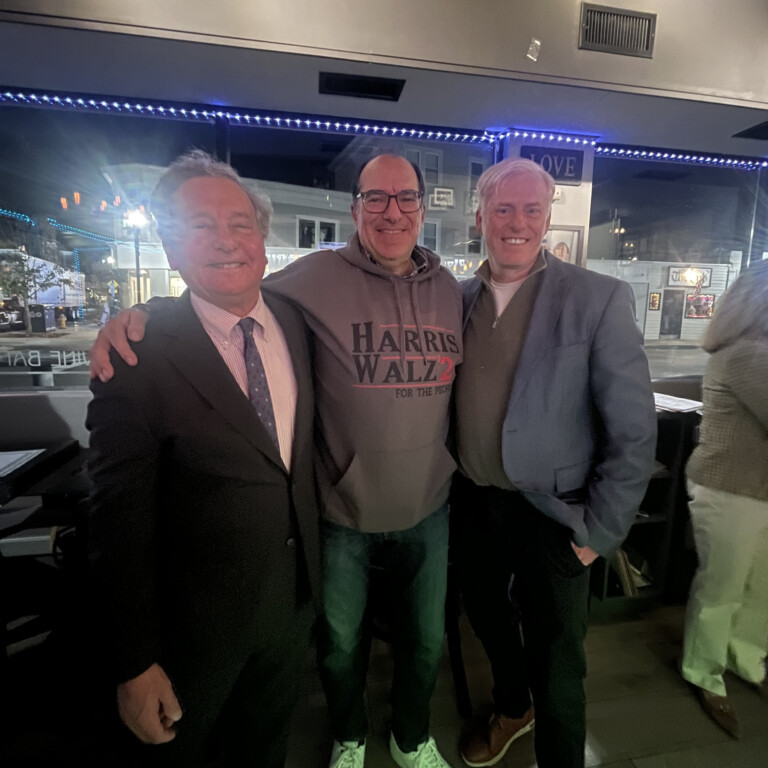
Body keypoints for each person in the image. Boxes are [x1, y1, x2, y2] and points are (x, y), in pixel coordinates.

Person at [89, 153, 463, 768]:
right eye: (375, 198)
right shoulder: (301, 288)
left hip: (386, 535)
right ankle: (348, 733)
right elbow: (115, 522)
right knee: (332, 654)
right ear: (354, 208)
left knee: (417, 647)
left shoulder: (437, 292)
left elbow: (234, 285)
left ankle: (410, 734)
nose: (391, 211)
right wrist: (141, 314)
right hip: (278, 562)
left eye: (240, 226)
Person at [87, 150, 320, 767]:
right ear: (168, 242)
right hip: (192, 632)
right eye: (200, 225)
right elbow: (116, 523)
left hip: (293, 607)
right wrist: (134, 661)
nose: (226, 241)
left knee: (265, 752)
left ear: (264, 240)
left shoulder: (298, 323)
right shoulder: (136, 356)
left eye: (240, 223)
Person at [451, 157, 657, 768]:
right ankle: (513, 708)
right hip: (472, 502)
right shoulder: (456, 298)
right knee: (487, 621)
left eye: (531, 209)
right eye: (503, 209)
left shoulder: (597, 298)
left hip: (556, 515)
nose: (517, 222)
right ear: (481, 216)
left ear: (547, 218)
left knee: (559, 660)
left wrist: (601, 533)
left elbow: (633, 429)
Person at [681, 262, 768, 739]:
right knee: (723, 589)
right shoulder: (746, 354)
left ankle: (747, 657)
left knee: (761, 589)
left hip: (756, 491)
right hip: (730, 489)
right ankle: (703, 671)